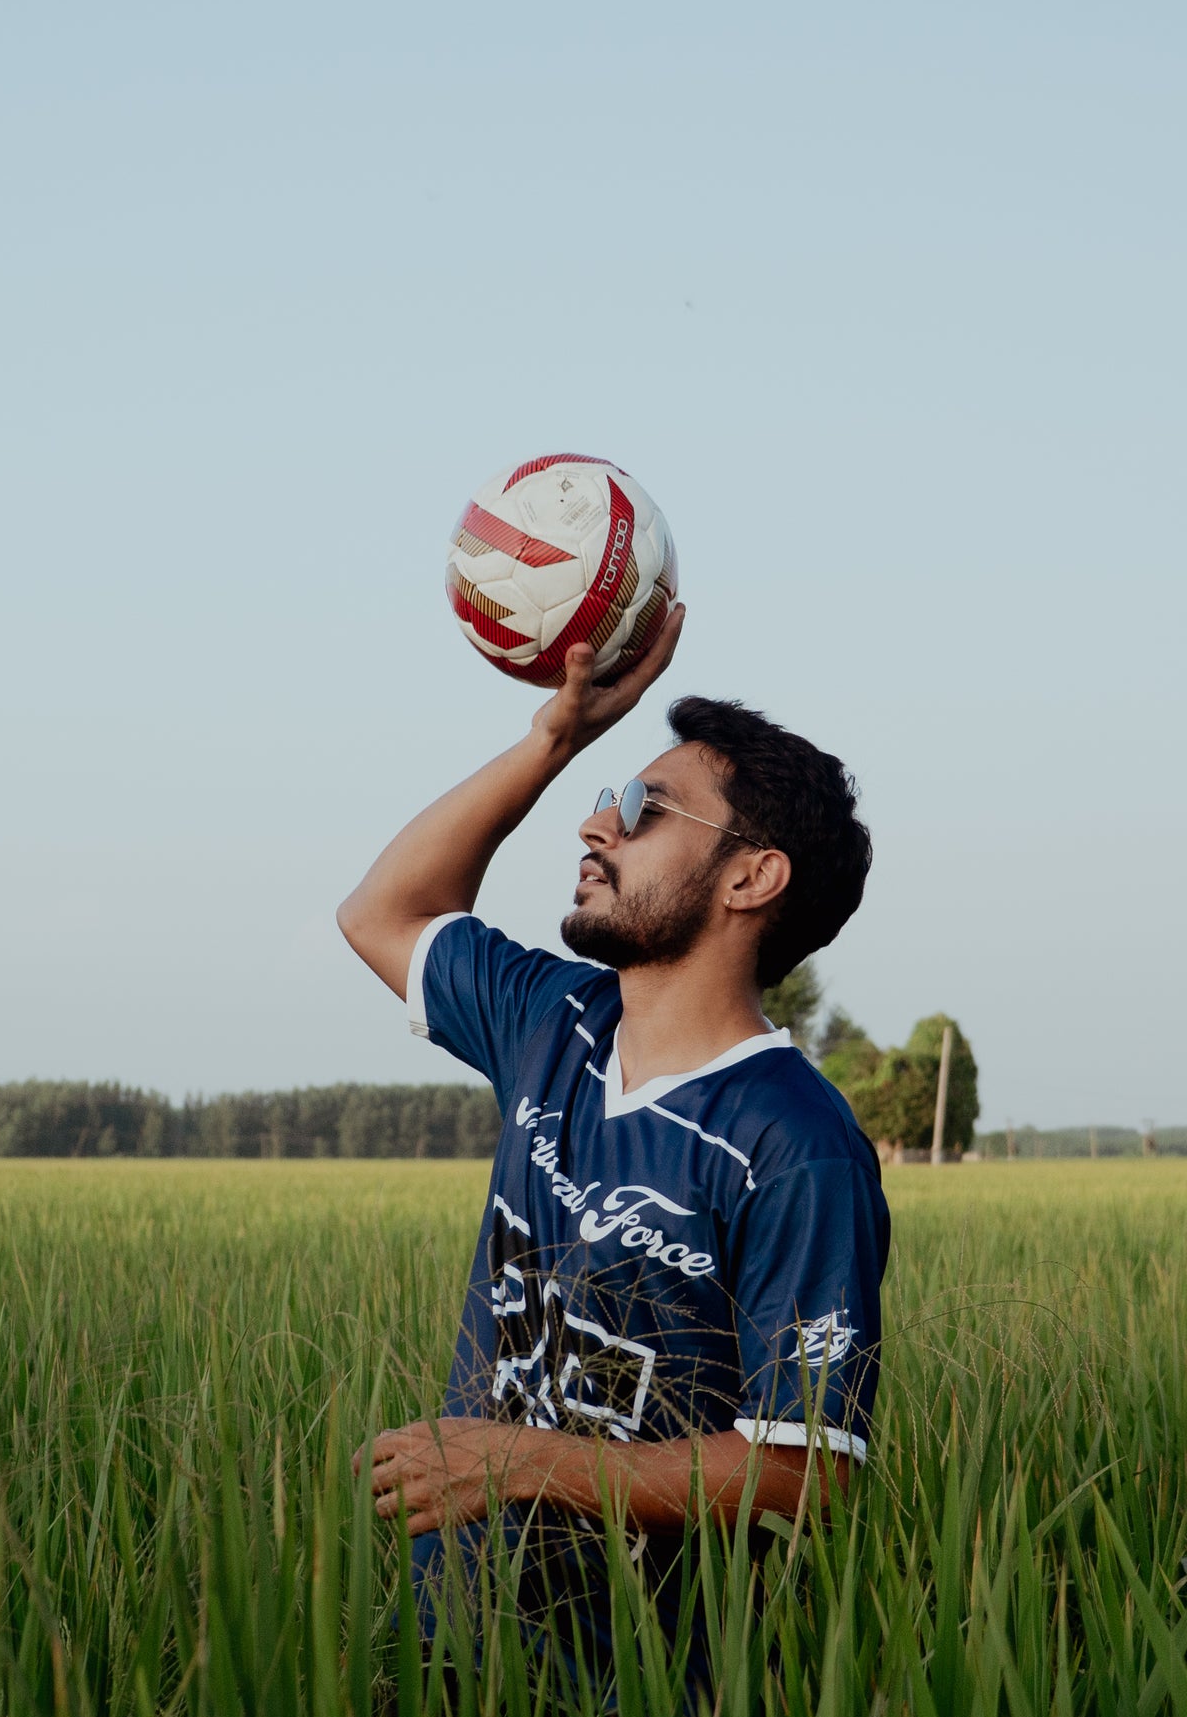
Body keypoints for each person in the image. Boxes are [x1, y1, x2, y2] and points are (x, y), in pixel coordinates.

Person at [338, 606, 886, 1646]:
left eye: (645, 808)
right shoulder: (554, 1022)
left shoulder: (796, 1144)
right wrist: (556, 739)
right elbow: (383, 914)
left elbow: (804, 1476)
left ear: (751, 875)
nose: (598, 828)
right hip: (460, 1643)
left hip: (656, 1713)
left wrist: (519, 1462)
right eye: (607, 799)